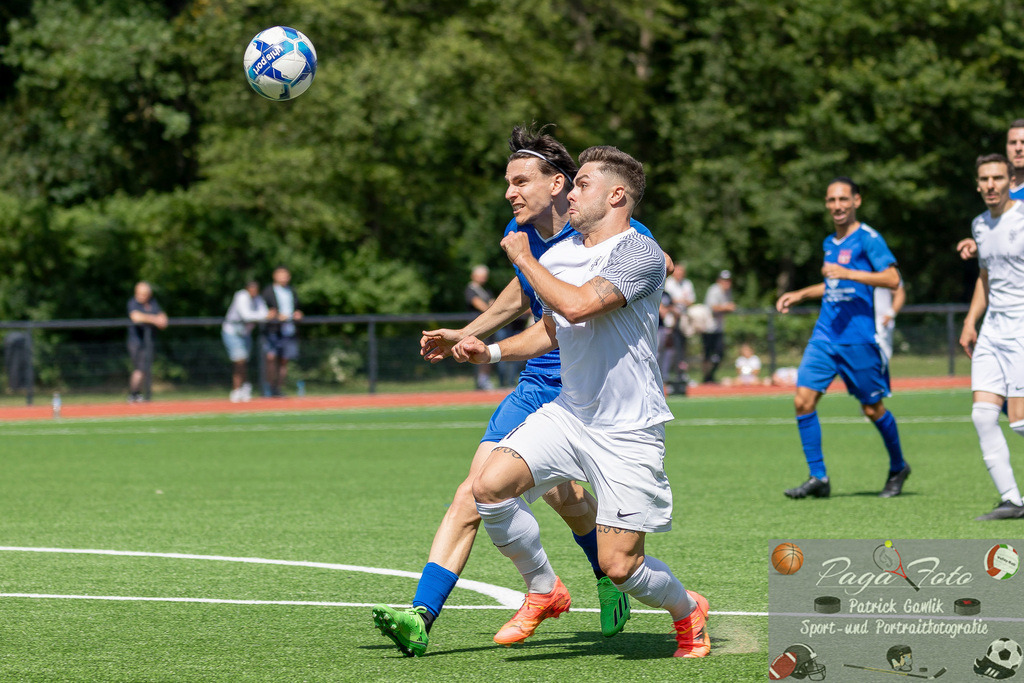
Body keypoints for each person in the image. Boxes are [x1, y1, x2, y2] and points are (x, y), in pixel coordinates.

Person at [371, 125, 663, 657]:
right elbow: (518, 294)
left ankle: (595, 576)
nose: (510, 192)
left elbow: (646, 264)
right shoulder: (522, 229)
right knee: (479, 490)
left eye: (521, 181)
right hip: (536, 383)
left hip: (587, 389)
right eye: (508, 182)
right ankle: (423, 613)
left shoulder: (603, 225)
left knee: (567, 499)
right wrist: (469, 333)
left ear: (559, 184)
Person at [454, 145, 708, 658]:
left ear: (617, 195)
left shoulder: (640, 253)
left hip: (628, 429)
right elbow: (553, 326)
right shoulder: (563, 254)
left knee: (621, 568)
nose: (571, 191)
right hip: (571, 414)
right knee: (489, 486)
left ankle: (687, 611)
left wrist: (524, 257)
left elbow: (578, 305)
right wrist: (493, 350)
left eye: (583, 184)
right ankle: (545, 587)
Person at [775, 177, 908, 499]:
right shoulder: (829, 243)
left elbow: (892, 279)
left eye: (843, 199)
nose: (837, 206)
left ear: (856, 201)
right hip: (825, 336)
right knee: (802, 401)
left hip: (859, 339)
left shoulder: (869, 239)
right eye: (832, 200)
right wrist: (801, 293)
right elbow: (833, 285)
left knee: (872, 409)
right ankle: (818, 476)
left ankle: (899, 466)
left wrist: (849, 273)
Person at [959, 154, 1024, 520]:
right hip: (992, 330)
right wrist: (971, 322)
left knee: (1018, 422)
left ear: (1010, 180)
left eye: (998, 178)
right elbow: (986, 277)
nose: (990, 185)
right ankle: (1012, 500)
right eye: (984, 179)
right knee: (983, 416)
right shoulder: (980, 225)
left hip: (1022, 328)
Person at [957, 119, 1024, 258]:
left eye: (1023, 142)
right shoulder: (994, 190)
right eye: (1013, 143)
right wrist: (982, 246)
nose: (1018, 148)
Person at [222, 280, 269, 402]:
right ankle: (237, 389)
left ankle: (244, 387)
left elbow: (264, 312)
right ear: (247, 289)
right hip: (232, 332)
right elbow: (246, 315)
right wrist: (264, 316)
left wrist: (264, 315)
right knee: (239, 360)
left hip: (245, 334)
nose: (254, 291)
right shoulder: (241, 296)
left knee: (243, 362)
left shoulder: (258, 299)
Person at [261, 267, 302, 397]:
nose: (284, 278)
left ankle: (278, 389)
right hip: (273, 330)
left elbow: (296, 307)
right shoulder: (268, 291)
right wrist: (275, 316)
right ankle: (269, 388)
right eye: (281, 275)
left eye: (286, 275)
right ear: (275, 276)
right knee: (271, 358)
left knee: (285, 360)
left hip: (289, 330)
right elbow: (263, 311)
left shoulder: (292, 291)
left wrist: (297, 314)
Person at [126, 281, 168, 403]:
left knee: (144, 369)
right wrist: (154, 319)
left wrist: (155, 319)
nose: (141, 296)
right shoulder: (133, 302)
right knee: (140, 368)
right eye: (139, 293)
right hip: (136, 342)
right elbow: (136, 317)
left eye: (144, 294)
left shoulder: (152, 302)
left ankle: (137, 394)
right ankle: (133, 394)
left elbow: (163, 318)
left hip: (148, 342)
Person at [659, 259, 696, 392]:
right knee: (662, 349)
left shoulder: (687, 284)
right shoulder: (667, 285)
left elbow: (690, 301)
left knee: (677, 349)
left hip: (681, 319)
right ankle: (662, 377)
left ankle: (675, 374)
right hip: (667, 323)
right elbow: (667, 303)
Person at [465, 265, 498, 390]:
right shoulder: (470, 289)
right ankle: (480, 380)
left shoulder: (486, 290)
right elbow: (481, 305)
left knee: (487, 350)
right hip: (476, 327)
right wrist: (493, 310)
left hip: (488, 327)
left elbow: (493, 304)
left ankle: (485, 379)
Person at [701, 270, 735, 384]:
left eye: (728, 281)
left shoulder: (727, 292)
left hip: (718, 327)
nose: (727, 283)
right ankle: (706, 377)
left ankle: (710, 375)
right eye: (724, 280)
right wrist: (726, 307)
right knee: (708, 354)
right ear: (719, 280)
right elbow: (714, 308)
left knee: (719, 353)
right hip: (708, 327)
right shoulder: (714, 290)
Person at [875, 279, 905, 362]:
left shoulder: (887, 269)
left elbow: (899, 293)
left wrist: (890, 314)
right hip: (861, 322)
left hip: (881, 322)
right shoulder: (858, 268)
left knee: (883, 356)